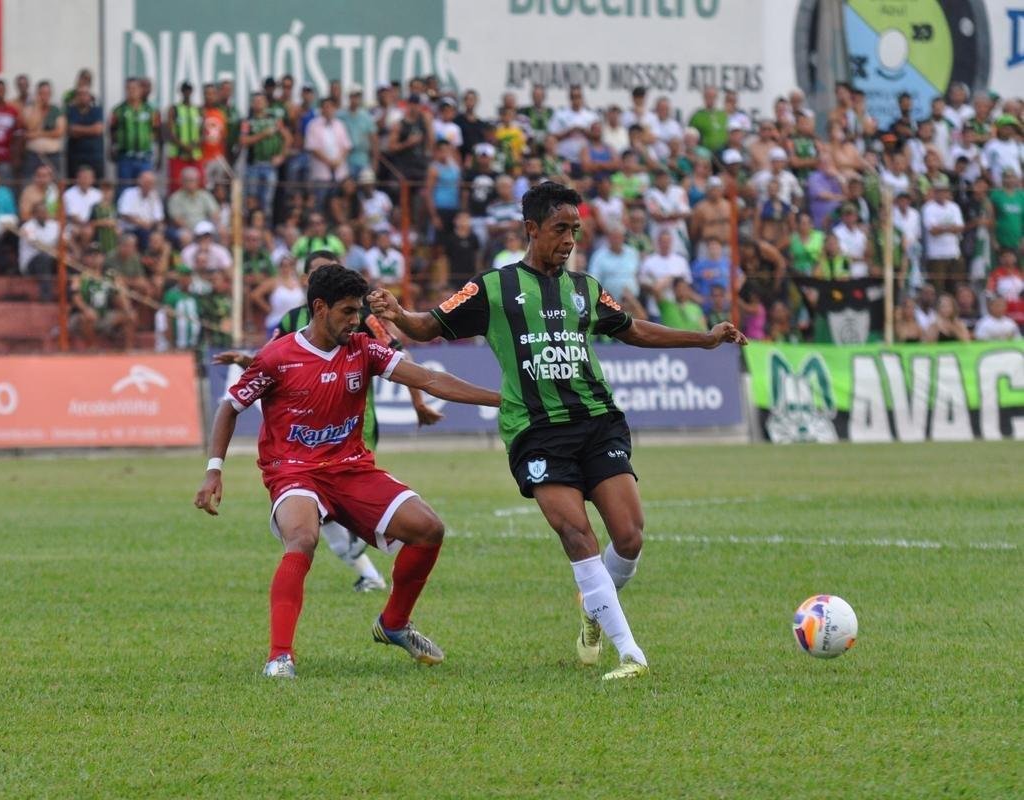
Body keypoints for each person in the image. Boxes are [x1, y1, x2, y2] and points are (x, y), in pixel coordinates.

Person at [368, 181, 746, 681]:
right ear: (531, 229)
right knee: (576, 533)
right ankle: (630, 653)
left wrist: (703, 340)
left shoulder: (586, 288)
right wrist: (399, 315)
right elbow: (429, 326)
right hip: (537, 432)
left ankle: (594, 613)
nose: (569, 240)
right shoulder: (493, 288)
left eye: (575, 230)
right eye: (559, 229)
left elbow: (632, 329)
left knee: (629, 538)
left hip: (597, 422)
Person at [195, 265, 500, 678]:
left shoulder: (363, 348)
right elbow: (230, 406)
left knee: (429, 529)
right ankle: (279, 657)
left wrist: (504, 400)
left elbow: (428, 379)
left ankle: (393, 624)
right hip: (294, 471)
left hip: (351, 468)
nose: (356, 321)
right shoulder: (277, 356)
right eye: (347, 312)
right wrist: (214, 470)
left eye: (358, 311)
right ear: (319, 308)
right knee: (302, 538)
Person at [241, 92, 290, 219]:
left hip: (270, 165)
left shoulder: (274, 120)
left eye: (261, 100)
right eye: (255, 101)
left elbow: (288, 138)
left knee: (267, 200)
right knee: (251, 199)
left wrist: (281, 156)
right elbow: (243, 141)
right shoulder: (248, 121)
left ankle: (266, 228)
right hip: (253, 165)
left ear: (266, 103)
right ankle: (251, 224)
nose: (258, 103)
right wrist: (263, 134)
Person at [109, 78, 160, 197]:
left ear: (141, 90)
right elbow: (112, 130)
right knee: (124, 189)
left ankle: (145, 214)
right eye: (129, 88)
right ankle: (124, 214)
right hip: (125, 157)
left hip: (144, 157)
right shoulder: (118, 110)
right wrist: (111, 148)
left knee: (146, 188)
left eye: (135, 88)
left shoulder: (151, 110)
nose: (132, 91)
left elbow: (156, 131)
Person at [921, 176, 965, 291]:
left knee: (957, 287)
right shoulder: (928, 208)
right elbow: (933, 231)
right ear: (934, 192)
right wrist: (950, 228)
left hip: (954, 253)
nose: (941, 194)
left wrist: (942, 228)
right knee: (938, 288)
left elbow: (960, 228)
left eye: (944, 191)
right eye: (939, 191)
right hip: (936, 255)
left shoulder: (954, 207)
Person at [21, 80, 64, 179]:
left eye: (47, 93)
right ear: (37, 94)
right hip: (33, 156)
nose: (44, 96)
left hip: (52, 156)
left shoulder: (56, 110)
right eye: (42, 93)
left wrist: (38, 134)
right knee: (30, 183)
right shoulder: (29, 109)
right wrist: (37, 107)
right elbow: (30, 127)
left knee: (53, 185)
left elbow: (59, 132)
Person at [18, 200, 60, 300]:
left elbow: (65, 240)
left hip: (51, 258)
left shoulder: (54, 225)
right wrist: (54, 247)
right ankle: (46, 296)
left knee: (67, 258)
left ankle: (68, 295)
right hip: (31, 264)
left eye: (45, 211)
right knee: (43, 258)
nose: (43, 214)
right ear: (34, 214)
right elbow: (36, 244)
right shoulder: (27, 226)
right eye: (40, 212)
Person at [166, 81, 203, 191]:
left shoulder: (198, 110)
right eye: (185, 90)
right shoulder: (174, 109)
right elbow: (170, 132)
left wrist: (194, 146)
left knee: (198, 184)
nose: (187, 92)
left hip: (195, 154)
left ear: (192, 91)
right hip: (178, 154)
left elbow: (202, 132)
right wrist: (184, 147)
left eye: (189, 90)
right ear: (181, 92)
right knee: (176, 185)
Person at [65, 85, 104, 181]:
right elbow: (71, 130)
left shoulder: (97, 110)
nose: (82, 97)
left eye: (85, 94)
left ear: (90, 97)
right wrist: (91, 129)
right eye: (79, 94)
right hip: (75, 157)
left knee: (96, 185)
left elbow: (98, 130)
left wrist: (79, 129)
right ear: (76, 97)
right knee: (74, 185)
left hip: (95, 156)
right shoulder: (71, 111)